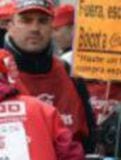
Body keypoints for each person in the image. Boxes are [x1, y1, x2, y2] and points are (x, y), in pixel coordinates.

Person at [5, 0, 93, 149]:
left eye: (43, 21)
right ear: (10, 26)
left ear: (52, 27)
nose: (35, 28)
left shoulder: (69, 73)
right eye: (26, 21)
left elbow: (88, 137)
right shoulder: (3, 75)